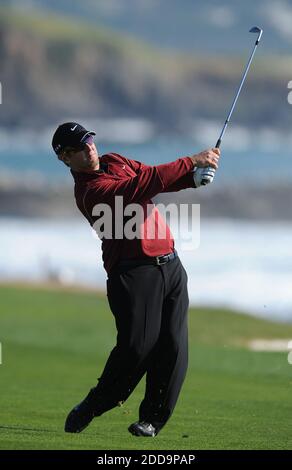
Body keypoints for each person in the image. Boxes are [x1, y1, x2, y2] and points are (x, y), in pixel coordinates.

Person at [52, 122, 220, 437]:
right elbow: (142, 185)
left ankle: (151, 421)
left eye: (89, 139)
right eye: (79, 146)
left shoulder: (116, 161)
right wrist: (192, 161)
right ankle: (95, 403)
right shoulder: (90, 192)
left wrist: (192, 179)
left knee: (173, 347)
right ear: (65, 158)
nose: (89, 146)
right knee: (136, 348)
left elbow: (155, 179)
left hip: (170, 266)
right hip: (132, 273)